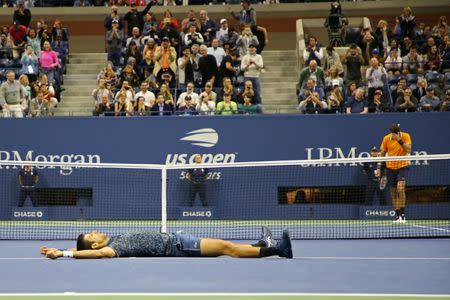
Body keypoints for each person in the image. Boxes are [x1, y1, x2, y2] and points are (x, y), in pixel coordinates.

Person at [40, 226, 293, 259]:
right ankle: (278, 250)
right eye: (91, 236)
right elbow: (97, 255)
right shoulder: (110, 249)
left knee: (227, 245)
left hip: (179, 238)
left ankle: (261, 244)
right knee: (227, 248)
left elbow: (83, 249)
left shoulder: (112, 238)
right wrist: (64, 255)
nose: (94, 232)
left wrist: (62, 249)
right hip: (179, 246)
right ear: (95, 245)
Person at [380, 123, 412, 223]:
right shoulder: (386, 138)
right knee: (393, 193)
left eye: (395, 133)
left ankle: (403, 214)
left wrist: (399, 140)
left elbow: (409, 149)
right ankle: (398, 216)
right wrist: (380, 166)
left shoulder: (406, 136)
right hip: (390, 168)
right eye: (392, 133)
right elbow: (382, 152)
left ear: (398, 132)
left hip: (402, 166)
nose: (393, 135)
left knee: (400, 188)